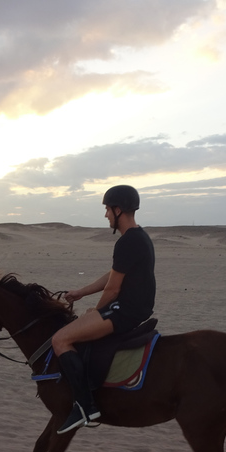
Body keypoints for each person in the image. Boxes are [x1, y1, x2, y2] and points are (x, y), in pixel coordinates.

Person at [52, 184, 156, 434]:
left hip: (125, 310)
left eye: (108, 210)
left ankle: (85, 406)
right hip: (136, 307)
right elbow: (112, 275)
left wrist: (96, 312)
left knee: (60, 339)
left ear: (118, 209)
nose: (106, 215)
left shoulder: (126, 242)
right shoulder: (139, 237)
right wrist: (81, 292)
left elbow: (112, 290)